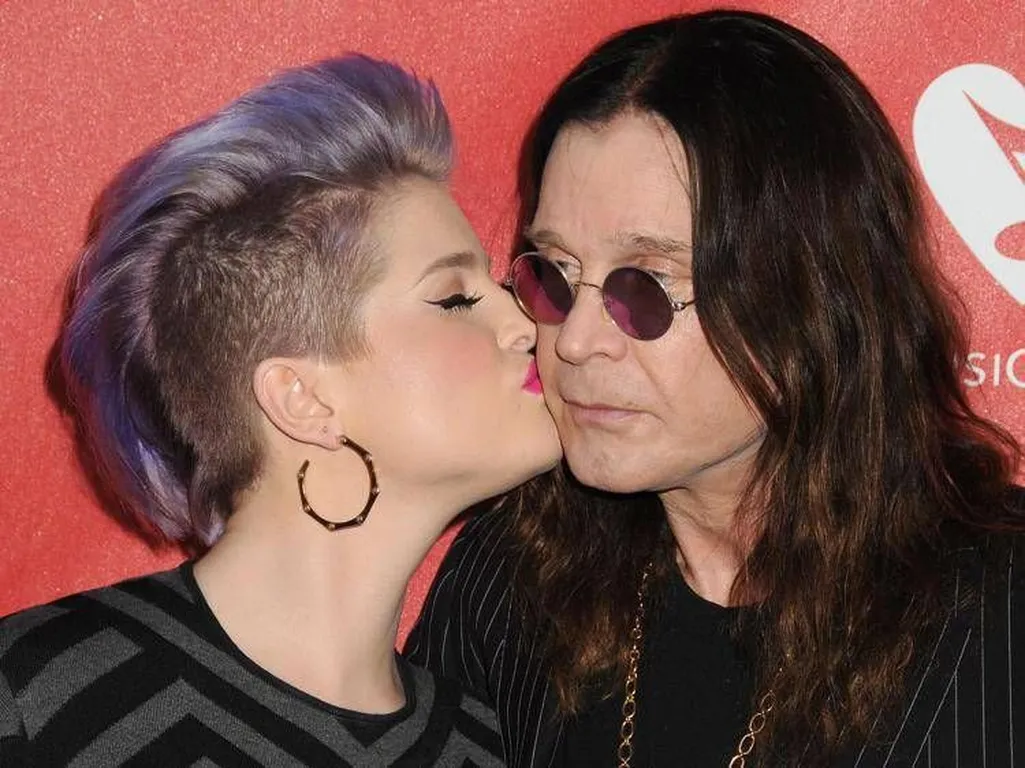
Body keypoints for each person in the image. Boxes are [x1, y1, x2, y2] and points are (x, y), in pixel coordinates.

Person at [406, 10, 1024, 767]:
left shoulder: (1000, 607)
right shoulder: (511, 580)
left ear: (810, 298)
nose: (574, 341)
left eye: (645, 288)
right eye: (555, 275)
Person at [0, 54, 561, 766]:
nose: (523, 321)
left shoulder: (487, 745)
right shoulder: (38, 704)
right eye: (453, 299)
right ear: (303, 398)